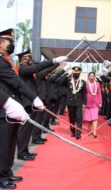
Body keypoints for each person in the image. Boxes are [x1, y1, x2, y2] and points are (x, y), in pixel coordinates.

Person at [0, 28, 44, 189]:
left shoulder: (7, 62)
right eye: (8, 42)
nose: (11, 44)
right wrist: (34, 97)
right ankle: (1, 176)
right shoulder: (1, 62)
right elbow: (17, 83)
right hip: (3, 108)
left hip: (11, 109)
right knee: (3, 145)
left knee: (10, 144)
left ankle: (7, 172)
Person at [16, 49, 67, 160]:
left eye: (29, 57)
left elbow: (39, 67)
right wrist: (55, 61)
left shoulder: (29, 71)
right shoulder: (23, 70)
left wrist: (56, 63)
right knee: (24, 129)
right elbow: (38, 68)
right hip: (26, 103)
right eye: (26, 58)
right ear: (21, 60)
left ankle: (25, 150)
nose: (29, 60)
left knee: (28, 129)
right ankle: (21, 152)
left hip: (32, 103)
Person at [58, 66, 87, 139]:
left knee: (79, 118)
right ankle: (72, 131)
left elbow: (84, 93)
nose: (76, 74)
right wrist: (67, 74)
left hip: (79, 103)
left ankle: (78, 133)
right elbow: (60, 82)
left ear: (80, 74)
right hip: (70, 102)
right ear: (72, 73)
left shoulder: (83, 82)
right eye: (74, 73)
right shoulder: (68, 80)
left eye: (77, 73)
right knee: (72, 119)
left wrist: (84, 103)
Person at [84, 72, 102, 138]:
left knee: (95, 118)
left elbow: (99, 93)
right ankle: (89, 130)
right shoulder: (85, 84)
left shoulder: (97, 84)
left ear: (95, 77)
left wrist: (100, 102)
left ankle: (94, 131)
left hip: (95, 102)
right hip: (87, 102)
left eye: (93, 76)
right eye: (90, 76)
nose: (91, 77)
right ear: (88, 77)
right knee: (88, 118)